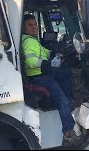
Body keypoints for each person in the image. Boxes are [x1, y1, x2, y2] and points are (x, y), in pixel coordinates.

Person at [21, 14, 84, 147]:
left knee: (65, 74)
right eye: (30, 25)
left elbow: (44, 52)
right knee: (62, 100)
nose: (34, 27)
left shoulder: (33, 40)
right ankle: (68, 131)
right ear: (23, 28)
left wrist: (55, 53)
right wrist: (46, 64)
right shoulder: (28, 42)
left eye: (35, 24)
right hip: (38, 77)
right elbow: (31, 61)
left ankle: (67, 103)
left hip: (43, 72)